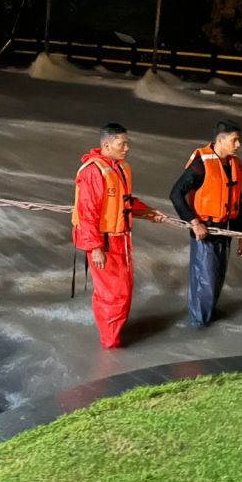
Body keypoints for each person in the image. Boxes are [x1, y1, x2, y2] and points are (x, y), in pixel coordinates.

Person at [71, 123, 165, 349]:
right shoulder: (93, 171)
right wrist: (95, 248)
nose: (127, 148)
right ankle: (110, 344)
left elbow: (125, 202)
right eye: (122, 143)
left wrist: (148, 212)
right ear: (106, 145)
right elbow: (87, 211)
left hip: (120, 238)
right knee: (112, 294)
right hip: (104, 241)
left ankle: (113, 338)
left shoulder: (120, 167)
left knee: (122, 290)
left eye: (127, 143)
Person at [169, 120, 242, 328]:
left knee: (216, 279)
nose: (238, 145)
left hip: (225, 229)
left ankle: (204, 321)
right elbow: (176, 194)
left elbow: (236, 202)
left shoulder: (234, 165)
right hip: (205, 231)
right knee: (206, 280)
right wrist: (194, 222)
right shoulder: (201, 164)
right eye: (235, 140)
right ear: (221, 140)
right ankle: (198, 326)